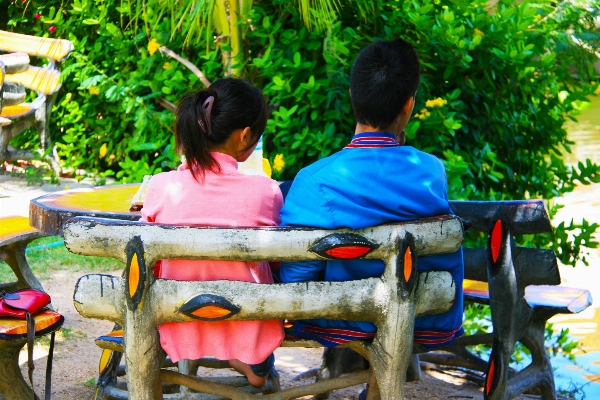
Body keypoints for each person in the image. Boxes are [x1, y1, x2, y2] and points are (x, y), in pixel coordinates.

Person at [279, 38, 464, 350]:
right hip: (423, 318)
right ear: (409, 104)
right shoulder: (432, 171)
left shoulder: (315, 179)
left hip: (343, 319)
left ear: (353, 95)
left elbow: (298, 277)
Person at [140, 78, 283, 387]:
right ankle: (251, 366)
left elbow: (145, 262)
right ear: (246, 136)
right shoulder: (266, 191)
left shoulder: (161, 187)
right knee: (260, 373)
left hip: (178, 321)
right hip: (249, 325)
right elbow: (277, 261)